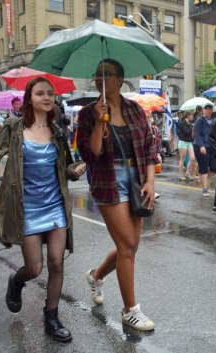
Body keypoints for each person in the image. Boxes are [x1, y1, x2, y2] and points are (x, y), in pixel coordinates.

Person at [0, 77, 86, 342]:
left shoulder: (57, 131)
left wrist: (75, 170)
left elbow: (65, 167)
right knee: (34, 268)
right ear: (29, 98)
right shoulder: (14, 128)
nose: (46, 97)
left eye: (49, 94)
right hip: (26, 208)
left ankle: (51, 317)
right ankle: (16, 282)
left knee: (56, 263)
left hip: (55, 205)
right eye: (40, 93)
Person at [77, 59, 158, 331]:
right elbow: (90, 155)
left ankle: (96, 275)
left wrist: (150, 180)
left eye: (107, 75)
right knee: (127, 247)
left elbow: (149, 147)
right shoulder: (88, 113)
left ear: (120, 79)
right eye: (97, 75)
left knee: (132, 245)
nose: (101, 80)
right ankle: (129, 310)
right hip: (107, 179)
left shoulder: (134, 109)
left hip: (136, 179)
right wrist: (100, 121)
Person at [193, 103, 215, 196]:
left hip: (211, 146)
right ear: (203, 110)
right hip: (200, 146)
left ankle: (201, 179)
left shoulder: (213, 120)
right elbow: (197, 134)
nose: (208, 110)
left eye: (210, 109)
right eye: (206, 108)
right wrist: (201, 146)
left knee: (214, 168)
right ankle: (205, 189)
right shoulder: (200, 120)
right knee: (204, 168)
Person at [177, 110, 197, 181]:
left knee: (192, 158)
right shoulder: (182, 123)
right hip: (183, 142)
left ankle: (187, 172)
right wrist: (192, 127)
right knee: (182, 159)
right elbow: (186, 132)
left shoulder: (191, 123)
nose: (192, 116)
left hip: (189, 142)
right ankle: (181, 174)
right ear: (187, 115)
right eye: (191, 115)